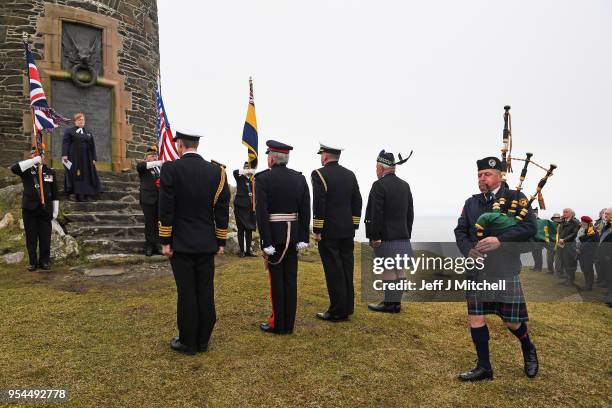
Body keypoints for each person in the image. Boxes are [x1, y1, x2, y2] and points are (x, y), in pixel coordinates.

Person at [454, 156, 538, 382]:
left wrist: (500, 240)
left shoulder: (515, 198)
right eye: (480, 175)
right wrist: (469, 250)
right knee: (476, 318)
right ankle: (484, 367)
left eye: (487, 174)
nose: (482, 178)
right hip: (477, 269)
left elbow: (530, 227)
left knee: (511, 321)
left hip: (504, 268)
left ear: (500, 176)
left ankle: (528, 346)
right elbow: (460, 231)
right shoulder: (471, 202)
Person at [158, 131, 230, 355]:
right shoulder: (217, 172)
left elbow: (166, 208)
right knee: (205, 290)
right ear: (197, 145)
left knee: (186, 292)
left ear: (179, 144)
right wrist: (221, 240)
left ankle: (188, 342)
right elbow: (222, 209)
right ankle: (203, 340)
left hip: (181, 243)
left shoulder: (170, 169)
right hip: (207, 242)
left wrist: (165, 240)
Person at [256, 140, 310, 335]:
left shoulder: (262, 179)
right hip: (294, 235)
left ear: (271, 158)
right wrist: (303, 236)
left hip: (275, 236)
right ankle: (289, 324)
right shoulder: (299, 179)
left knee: (276, 281)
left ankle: (277, 324)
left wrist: (266, 242)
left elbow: (261, 214)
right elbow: (305, 210)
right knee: (291, 280)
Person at [311, 143, 362, 321]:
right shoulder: (350, 174)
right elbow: (358, 201)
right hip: (347, 231)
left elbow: (319, 204)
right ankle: (347, 307)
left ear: (325, 156)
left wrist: (317, 229)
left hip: (329, 232)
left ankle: (337, 311)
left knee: (334, 271)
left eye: (321, 154)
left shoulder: (319, 174)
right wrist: (354, 224)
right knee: (346, 269)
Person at [365, 150, 413, 314]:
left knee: (388, 269)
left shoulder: (379, 185)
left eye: (376, 167)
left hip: (385, 237)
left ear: (381, 168)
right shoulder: (405, 185)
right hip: (402, 235)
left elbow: (376, 213)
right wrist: (407, 233)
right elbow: (410, 214)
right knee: (398, 268)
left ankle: (389, 304)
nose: (376, 170)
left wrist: (375, 236)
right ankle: (396, 304)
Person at [11, 146, 59, 271]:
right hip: (29, 209)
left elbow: (55, 192)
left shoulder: (50, 172)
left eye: (40, 155)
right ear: (32, 156)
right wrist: (33, 161)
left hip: (45, 209)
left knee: (45, 236)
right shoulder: (26, 170)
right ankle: (32, 262)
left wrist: (56, 209)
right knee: (31, 236)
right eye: (35, 155)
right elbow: (14, 168)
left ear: (44, 157)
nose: (38, 157)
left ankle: (45, 261)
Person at [61, 112, 101, 201]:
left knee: (86, 174)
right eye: (79, 120)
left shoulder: (88, 133)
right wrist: (64, 154)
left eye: (83, 120)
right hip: (74, 157)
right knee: (75, 174)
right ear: (75, 121)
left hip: (87, 159)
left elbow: (92, 146)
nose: (81, 121)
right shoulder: (70, 131)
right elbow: (65, 143)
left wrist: (94, 158)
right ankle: (74, 194)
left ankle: (86, 194)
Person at [136, 145, 162, 257]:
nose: (155, 157)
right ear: (146, 158)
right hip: (148, 200)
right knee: (149, 223)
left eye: (156, 156)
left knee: (157, 224)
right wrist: (160, 162)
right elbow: (140, 166)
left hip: (160, 200)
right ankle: (149, 246)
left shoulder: (160, 169)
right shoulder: (143, 167)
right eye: (152, 156)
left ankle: (157, 245)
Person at [232, 162, 257, 257]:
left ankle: (248, 251)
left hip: (250, 208)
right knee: (241, 229)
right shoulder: (240, 177)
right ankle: (242, 251)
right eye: (246, 168)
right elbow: (234, 172)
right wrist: (245, 171)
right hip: (240, 207)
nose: (248, 170)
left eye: (249, 168)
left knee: (249, 230)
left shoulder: (254, 180)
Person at [557, 208, 580, 286]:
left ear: (571, 213)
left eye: (566, 212)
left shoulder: (575, 222)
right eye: (563, 212)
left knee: (570, 263)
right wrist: (560, 239)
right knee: (563, 262)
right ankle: (567, 279)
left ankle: (570, 280)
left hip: (570, 245)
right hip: (562, 244)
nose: (564, 213)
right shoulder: (563, 221)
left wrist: (564, 239)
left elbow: (574, 233)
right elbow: (560, 232)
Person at [576, 215, 599, 291]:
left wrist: (580, 249)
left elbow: (589, 243)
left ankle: (589, 286)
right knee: (584, 269)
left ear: (587, 223)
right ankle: (587, 284)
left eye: (582, 222)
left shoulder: (592, 231)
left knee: (588, 270)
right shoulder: (585, 230)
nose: (581, 223)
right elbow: (581, 240)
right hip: (582, 253)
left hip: (589, 254)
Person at [596, 208, 612, 305]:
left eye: (608, 214)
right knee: (608, 276)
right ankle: (609, 294)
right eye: (605, 214)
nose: (605, 215)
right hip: (605, 256)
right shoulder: (607, 226)